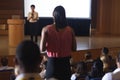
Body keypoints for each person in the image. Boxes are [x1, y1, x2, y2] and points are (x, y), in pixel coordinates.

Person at [40, 5, 76, 80]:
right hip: (65, 65)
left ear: (53, 16)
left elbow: (42, 49)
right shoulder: (70, 30)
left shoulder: (46, 29)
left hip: (52, 64)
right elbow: (74, 48)